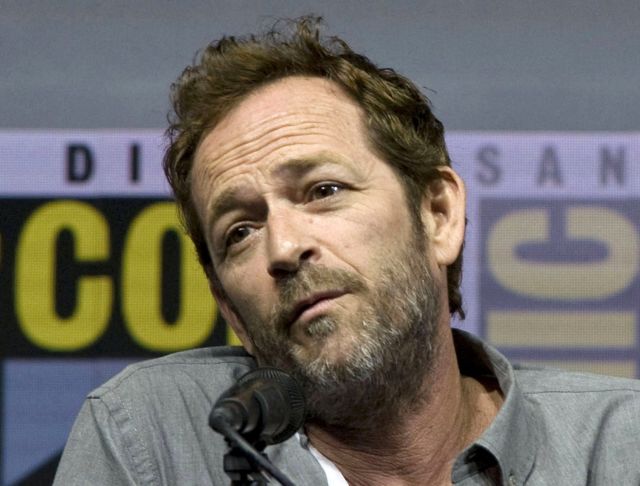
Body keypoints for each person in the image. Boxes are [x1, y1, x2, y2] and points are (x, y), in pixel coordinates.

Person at [54, 17, 640, 485]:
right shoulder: (153, 437)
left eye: (324, 191)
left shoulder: (618, 444)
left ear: (438, 215)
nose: (284, 248)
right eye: (240, 232)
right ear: (229, 310)